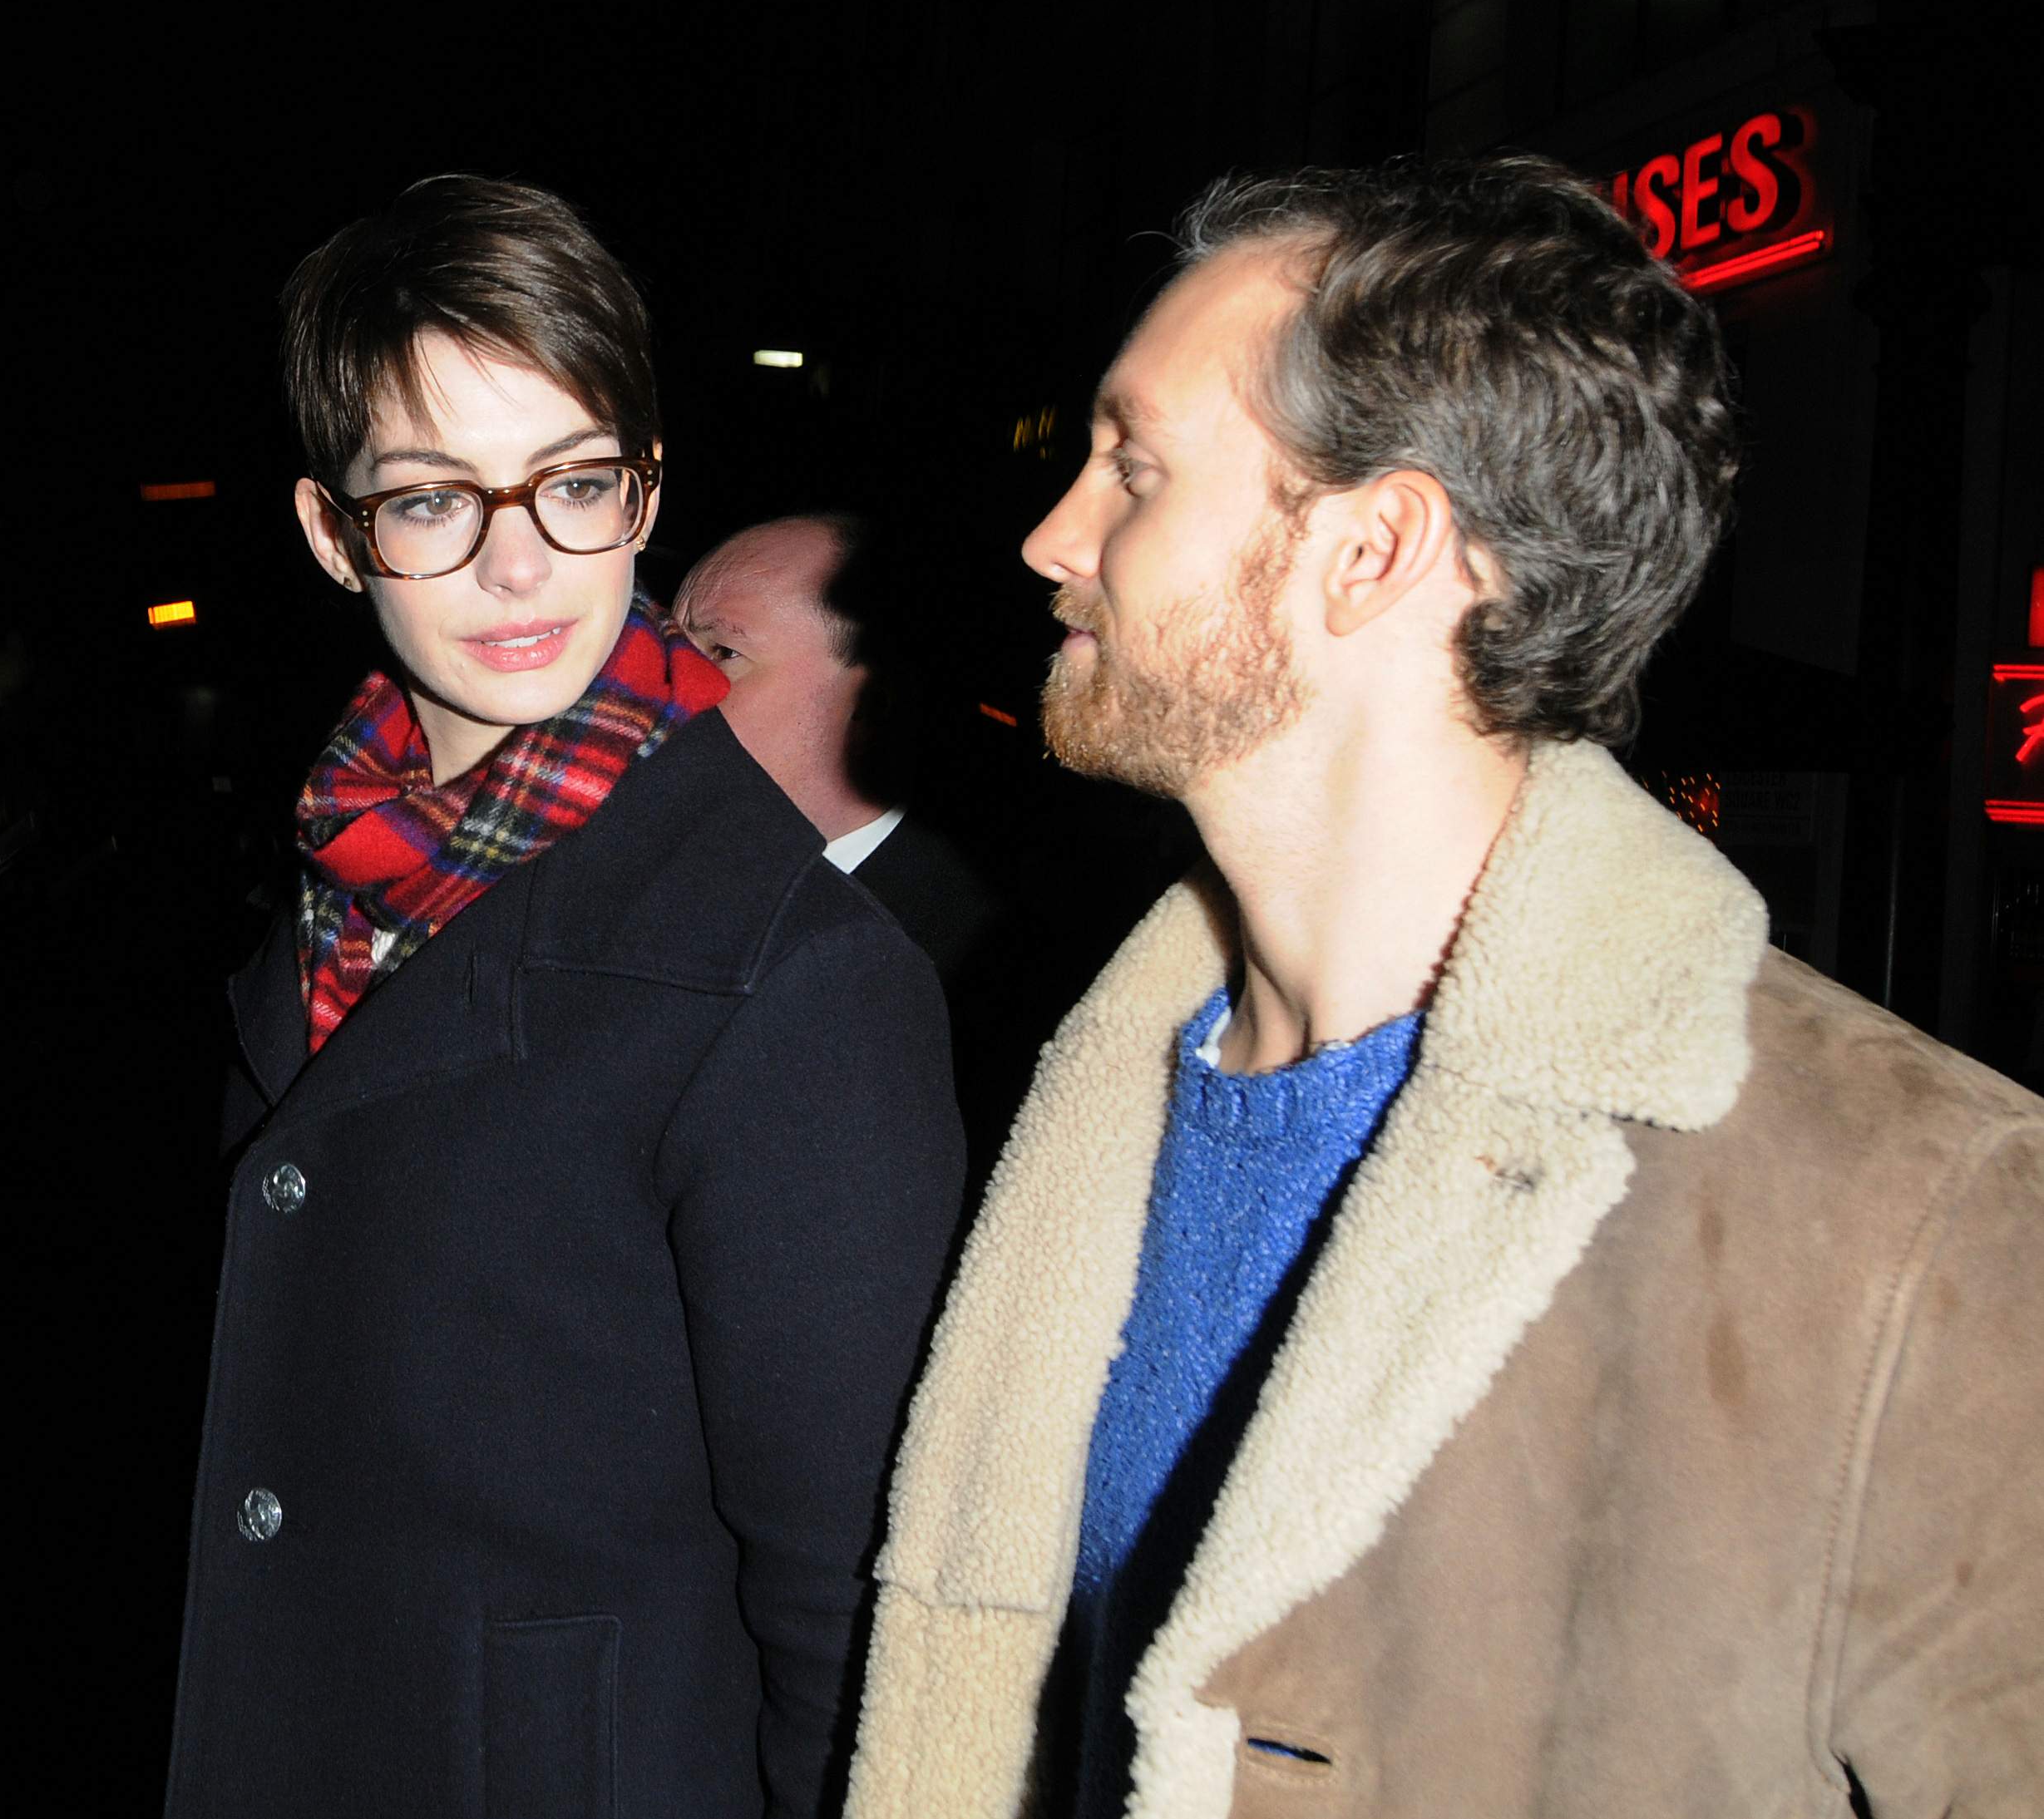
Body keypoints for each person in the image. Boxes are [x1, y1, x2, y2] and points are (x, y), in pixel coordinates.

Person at [844, 158, 2043, 1819]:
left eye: (1133, 470)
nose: (1056, 535)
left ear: (1373, 550)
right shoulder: (1088, 1090)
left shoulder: (1922, 1208)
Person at [166, 176, 965, 1818]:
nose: (520, 565)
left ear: (647, 489)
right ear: (335, 532)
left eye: (573, 482)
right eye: (434, 500)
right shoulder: (330, 876)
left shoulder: (794, 976)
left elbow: (857, 1615)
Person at [672, 513, 995, 981]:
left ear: (872, 699)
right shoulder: (636, 861)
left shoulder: (963, 964)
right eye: (668, 645)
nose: (658, 682)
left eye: (723, 651)